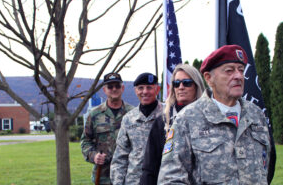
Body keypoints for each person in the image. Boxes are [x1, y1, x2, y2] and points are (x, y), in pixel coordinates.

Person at [158, 45, 271, 184]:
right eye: (229, 71)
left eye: (241, 70)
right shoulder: (188, 118)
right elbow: (170, 178)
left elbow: (266, 167)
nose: (238, 76)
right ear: (209, 78)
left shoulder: (256, 115)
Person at [140, 64, 205, 185]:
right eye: (176, 83)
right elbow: (150, 167)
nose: (181, 87)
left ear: (197, 85)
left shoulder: (210, 118)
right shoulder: (163, 121)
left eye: (187, 83)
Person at [80, 72, 134, 185]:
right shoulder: (94, 114)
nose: (114, 89)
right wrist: (94, 156)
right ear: (104, 90)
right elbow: (85, 141)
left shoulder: (133, 114)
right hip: (103, 176)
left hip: (128, 176)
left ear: (122, 88)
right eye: (110, 86)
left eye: (117, 86)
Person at [110, 72, 163, 185]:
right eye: (140, 88)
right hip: (134, 181)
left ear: (157, 90)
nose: (145, 92)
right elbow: (120, 157)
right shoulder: (128, 119)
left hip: (162, 179)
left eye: (149, 87)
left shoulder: (168, 114)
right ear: (135, 91)